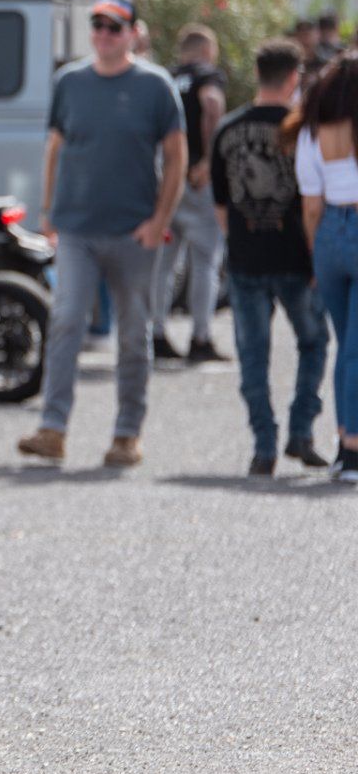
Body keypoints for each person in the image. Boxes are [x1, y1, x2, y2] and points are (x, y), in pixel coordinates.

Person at [17, 0, 185, 469]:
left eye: (114, 27)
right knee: (66, 320)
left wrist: (160, 221)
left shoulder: (156, 86)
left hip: (134, 231)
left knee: (133, 334)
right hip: (76, 228)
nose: (104, 35)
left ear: (132, 33)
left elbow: (176, 155)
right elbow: (55, 147)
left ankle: (127, 433)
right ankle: (52, 429)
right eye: (97, 26)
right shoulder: (69, 82)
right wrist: (48, 209)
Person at [213, 40, 329, 476]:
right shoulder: (301, 129)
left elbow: (221, 206)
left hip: (246, 258)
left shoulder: (227, 129)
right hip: (296, 258)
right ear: (294, 78)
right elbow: (311, 200)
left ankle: (264, 445)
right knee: (314, 343)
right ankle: (301, 430)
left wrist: (241, 240)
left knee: (253, 355)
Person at [151, 24, 230, 363]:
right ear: (207, 51)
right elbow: (212, 105)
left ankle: (156, 334)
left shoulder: (164, 77)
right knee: (204, 263)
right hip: (197, 182)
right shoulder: (206, 76)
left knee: (163, 264)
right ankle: (201, 338)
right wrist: (209, 159)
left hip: (166, 180)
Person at [295, 54, 358, 481]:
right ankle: (354, 449)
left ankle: (343, 444)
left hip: (330, 233)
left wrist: (316, 254)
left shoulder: (312, 130)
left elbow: (311, 205)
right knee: (356, 349)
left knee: (346, 346)